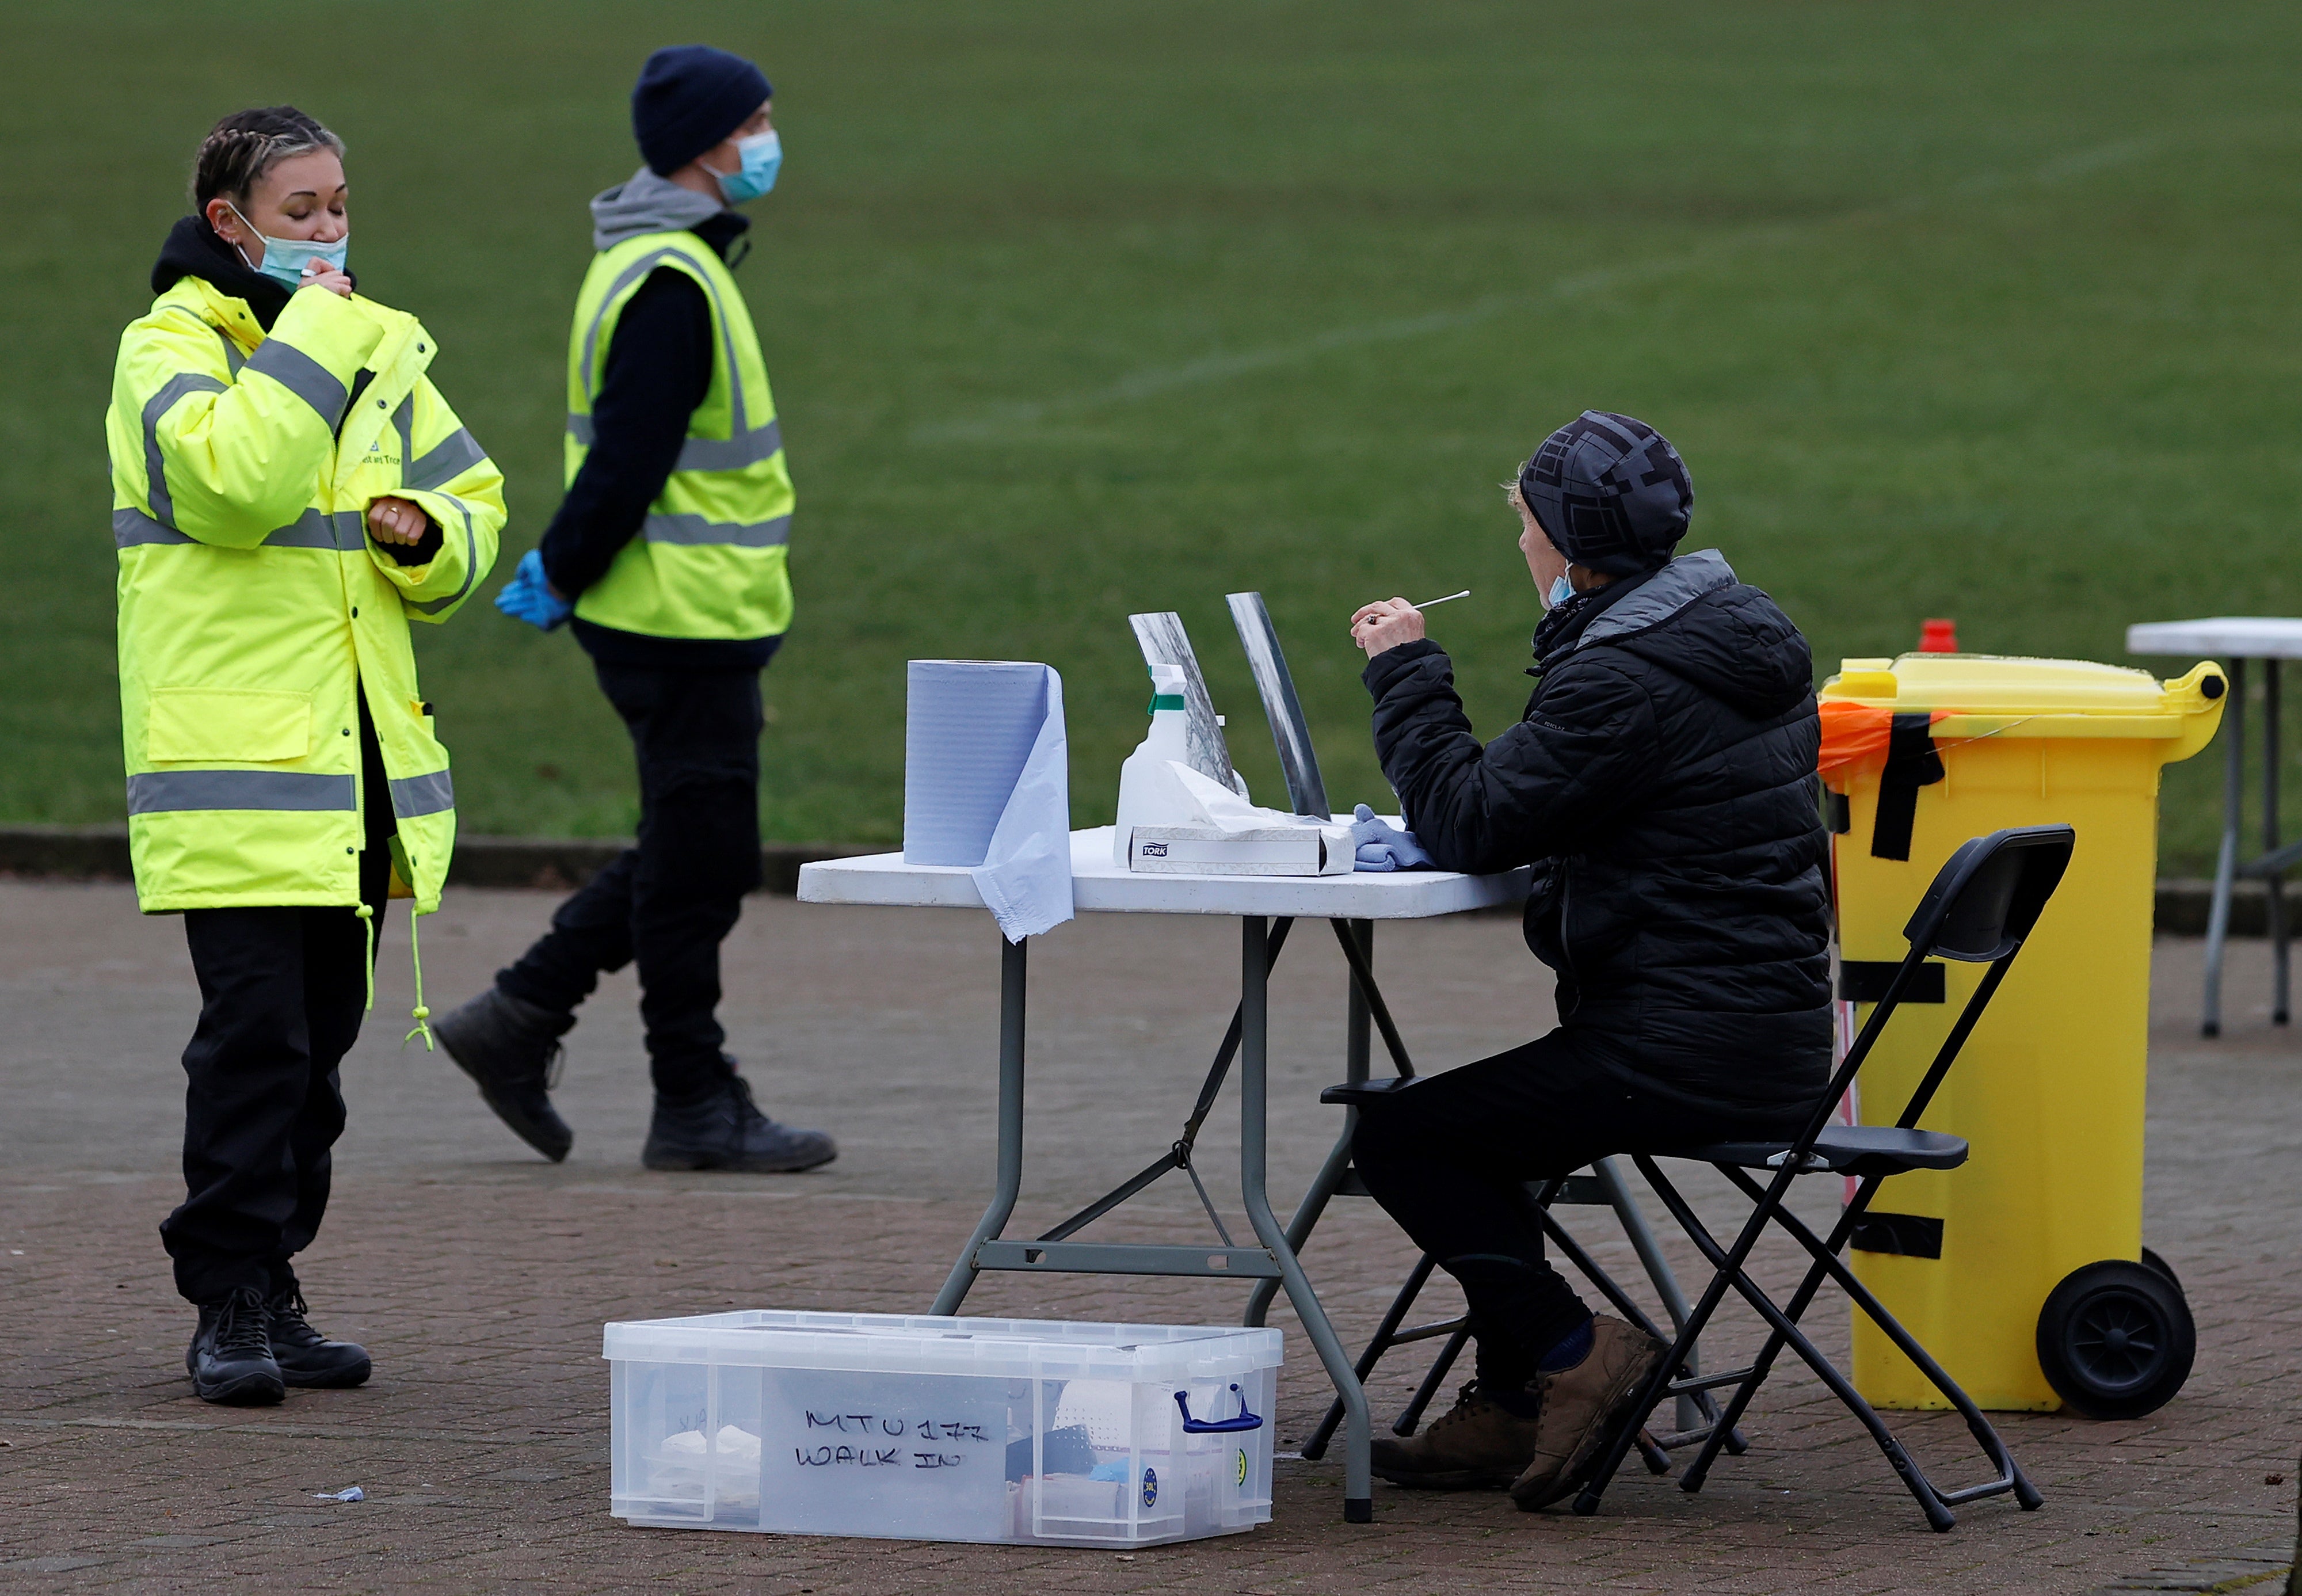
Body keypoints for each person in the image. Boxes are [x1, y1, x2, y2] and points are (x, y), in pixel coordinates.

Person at [1344, 412, 1830, 1509]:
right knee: (1485, 1127)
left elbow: (1472, 823)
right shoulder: (1731, 626)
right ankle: (1513, 1405)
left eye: (1523, 520)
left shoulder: (1624, 677)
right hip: (1764, 1027)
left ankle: (1574, 1353)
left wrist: (1409, 672)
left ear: (1567, 544)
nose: (1518, 542)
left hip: (1687, 1046)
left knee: (1406, 1137)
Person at [109, 106, 504, 1404]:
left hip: (356, 769)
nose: (332, 231)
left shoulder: (382, 347)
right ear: (230, 225)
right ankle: (222, 1297)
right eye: (302, 211)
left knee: (319, 1046)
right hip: (234, 770)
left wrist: (422, 535)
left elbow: (476, 501)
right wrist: (322, 333)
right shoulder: (167, 351)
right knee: (255, 1041)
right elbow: (236, 485)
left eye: (340, 205)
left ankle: (275, 1282)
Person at [433, 45, 834, 1176]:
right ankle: (689, 1097)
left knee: (694, 848)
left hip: (689, 613)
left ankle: (519, 1018)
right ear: (706, 146)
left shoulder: (666, 263)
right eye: (753, 121)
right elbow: (628, 459)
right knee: (701, 860)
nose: (768, 139)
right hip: (670, 618)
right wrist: (559, 566)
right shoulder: (668, 280)